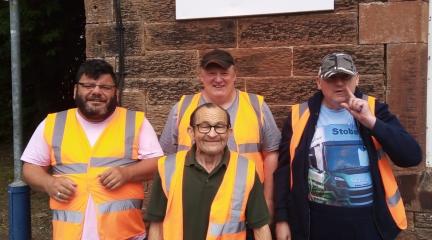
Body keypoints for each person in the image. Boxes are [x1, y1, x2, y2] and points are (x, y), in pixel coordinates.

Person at [274, 53, 422, 240]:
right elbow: (284, 171)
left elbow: (411, 157)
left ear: (357, 79)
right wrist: (282, 218)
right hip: (315, 223)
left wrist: (371, 122)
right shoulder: (299, 115)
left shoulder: (375, 110)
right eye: (332, 78)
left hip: (368, 223)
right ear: (318, 82)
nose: (339, 84)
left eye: (345, 77)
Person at [21, 59, 164, 240]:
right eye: (88, 85)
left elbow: (158, 164)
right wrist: (49, 183)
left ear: (116, 93)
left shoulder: (136, 122)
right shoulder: (53, 123)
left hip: (125, 235)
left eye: (105, 87)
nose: (96, 91)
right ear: (75, 90)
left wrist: (126, 173)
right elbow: (30, 169)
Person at [159, 49, 280, 216]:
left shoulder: (256, 106)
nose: (218, 79)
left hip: (247, 203)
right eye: (211, 73)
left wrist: (268, 199)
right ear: (200, 75)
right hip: (191, 204)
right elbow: (166, 159)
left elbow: (272, 154)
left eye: (224, 73)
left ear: (234, 75)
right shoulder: (182, 108)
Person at [146, 103, 272, 240]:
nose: (212, 134)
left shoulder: (246, 170)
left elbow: (260, 228)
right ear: (191, 132)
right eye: (204, 127)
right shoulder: (167, 168)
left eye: (219, 127)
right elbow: (156, 225)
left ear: (229, 132)